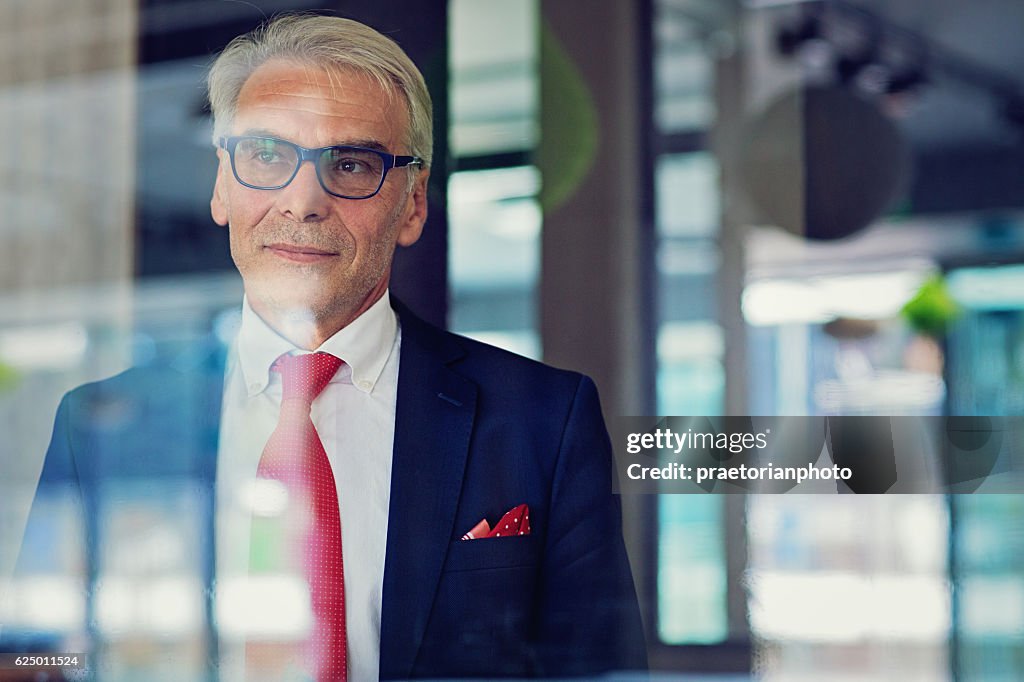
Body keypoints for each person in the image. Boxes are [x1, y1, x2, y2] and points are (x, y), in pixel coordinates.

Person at [12, 13, 646, 680]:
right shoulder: (101, 424)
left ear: (412, 204)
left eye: (351, 163)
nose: (302, 200)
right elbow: (44, 657)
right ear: (221, 185)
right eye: (265, 155)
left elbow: (599, 669)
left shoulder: (543, 418)